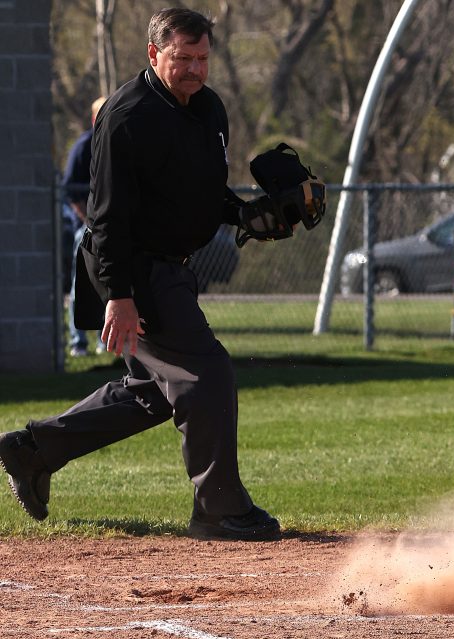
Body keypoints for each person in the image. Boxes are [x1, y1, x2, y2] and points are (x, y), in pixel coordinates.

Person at [0, 8, 280, 541]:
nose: (195, 69)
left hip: (170, 267)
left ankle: (34, 450)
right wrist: (120, 295)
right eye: (183, 58)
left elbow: (201, 189)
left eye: (202, 58)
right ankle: (219, 507)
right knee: (206, 373)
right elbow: (106, 215)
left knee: (154, 391)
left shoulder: (208, 108)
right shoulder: (126, 116)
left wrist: (246, 215)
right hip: (135, 268)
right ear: (154, 54)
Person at [63, 96, 106, 357]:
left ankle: (105, 341)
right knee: (80, 285)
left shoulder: (116, 141)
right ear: (93, 118)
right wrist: (87, 221)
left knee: (108, 285)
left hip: (108, 228)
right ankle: (78, 343)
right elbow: (70, 188)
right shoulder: (83, 146)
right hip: (86, 227)